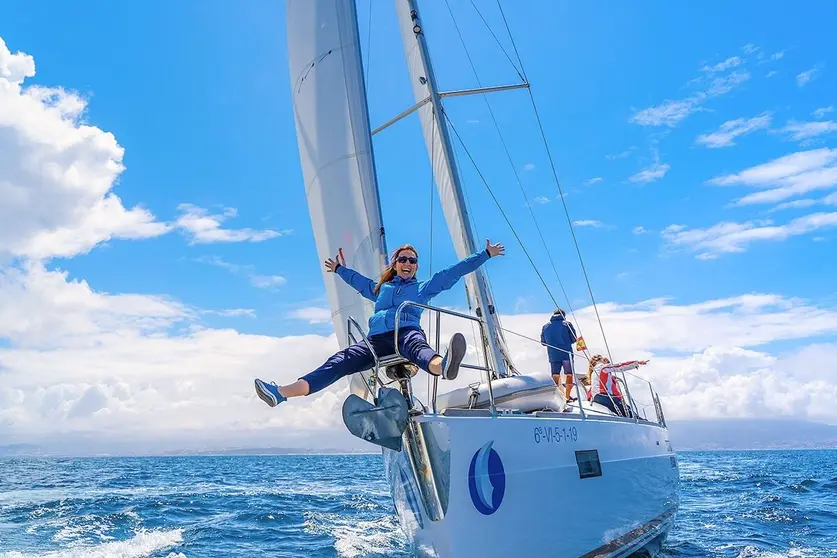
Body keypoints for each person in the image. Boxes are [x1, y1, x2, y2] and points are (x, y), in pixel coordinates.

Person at [254, 240, 506, 407]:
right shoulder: (381, 289)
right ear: (395, 264)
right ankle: (281, 393)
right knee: (339, 362)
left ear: (416, 267)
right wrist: (340, 269)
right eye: (403, 259)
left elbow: (452, 272)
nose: (408, 263)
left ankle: (445, 365)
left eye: (413, 261)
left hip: (405, 332)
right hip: (376, 341)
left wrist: (484, 255)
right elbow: (360, 282)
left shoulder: (421, 289)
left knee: (418, 348)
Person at [540, 308, 578, 401]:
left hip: (553, 355)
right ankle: (567, 397)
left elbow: (543, 342)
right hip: (566, 354)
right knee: (569, 374)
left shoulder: (545, 327)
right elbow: (574, 339)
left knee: (555, 375)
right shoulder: (567, 324)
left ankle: (558, 398)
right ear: (563, 315)